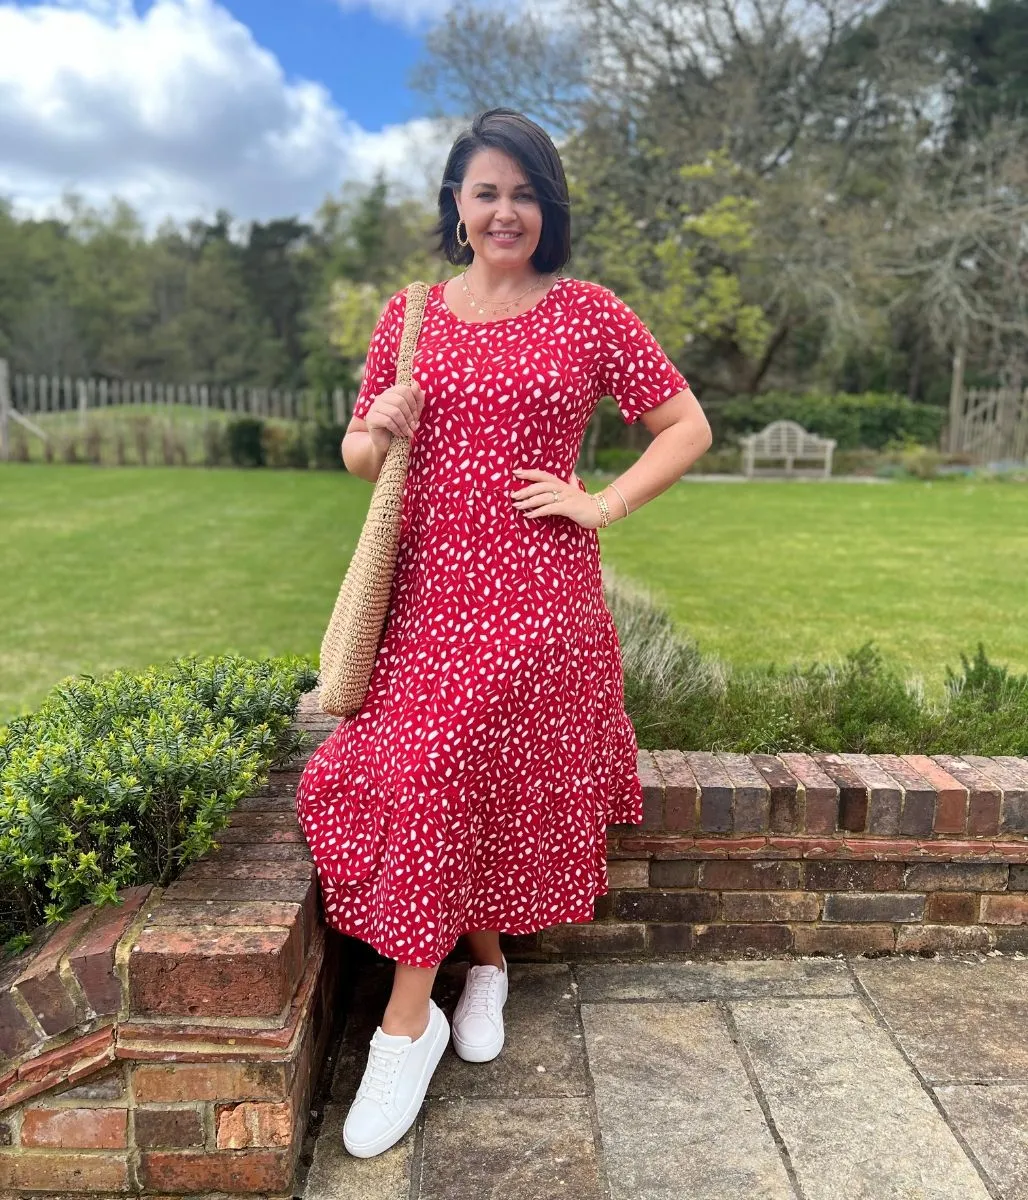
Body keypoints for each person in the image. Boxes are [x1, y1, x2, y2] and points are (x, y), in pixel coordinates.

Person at [295, 106, 712, 1159]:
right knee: (447, 770)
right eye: (485, 191)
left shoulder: (587, 314)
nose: (504, 210)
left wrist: (601, 504)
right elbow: (357, 457)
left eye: (523, 192)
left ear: (547, 206)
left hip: (536, 595)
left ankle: (404, 1021)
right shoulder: (412, 314)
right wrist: (373, 428)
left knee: (450, 766)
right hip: (426, 594)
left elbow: (685, 425)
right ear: (455, 204)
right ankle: (479, 969)